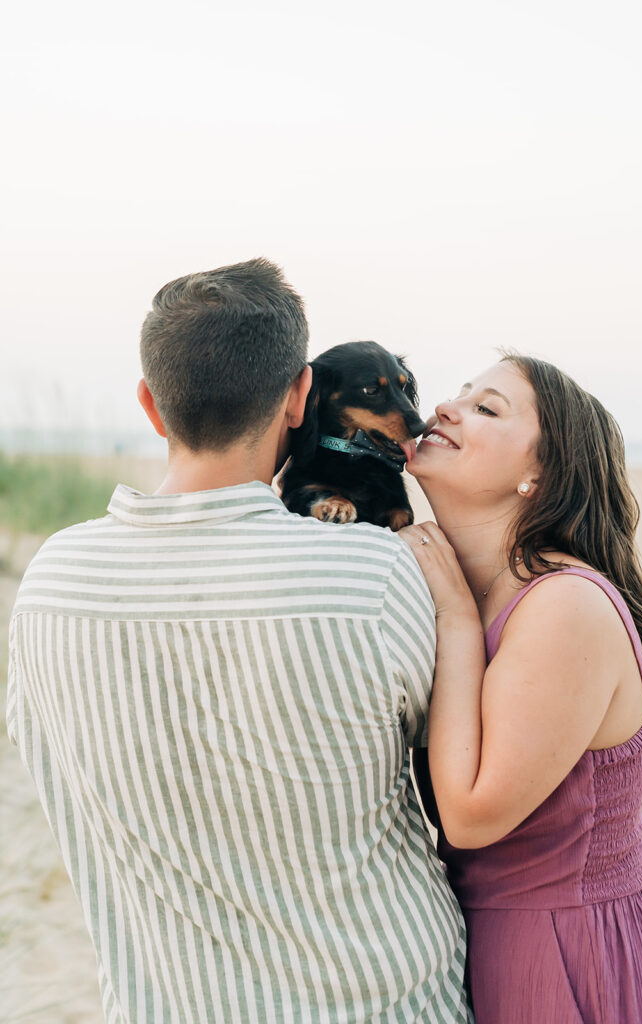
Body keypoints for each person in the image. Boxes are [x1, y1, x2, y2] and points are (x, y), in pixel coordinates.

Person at [6, 259, 473, 1024]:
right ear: (298, 398)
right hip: (384, 1003)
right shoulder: (372, 573)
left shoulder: (53, 581)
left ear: (151, 406)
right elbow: (458, 776)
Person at [399, 352, 642, 1023]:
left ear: (538, 473)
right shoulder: (457, 585)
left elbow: (469, 815)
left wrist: (457, 623)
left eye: (485, 407)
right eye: (460, 394)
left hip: (568, 954)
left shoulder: (562, 605)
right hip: (484, 943)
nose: (445, 406)